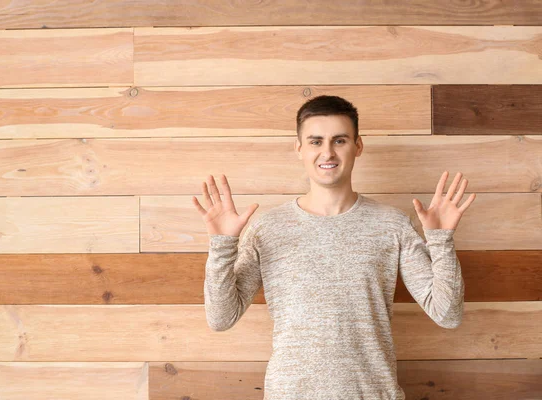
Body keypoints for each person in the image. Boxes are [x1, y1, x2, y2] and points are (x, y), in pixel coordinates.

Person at [191, 95, 475, 399]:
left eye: (339, 140)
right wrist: (222, 245)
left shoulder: (391, 224)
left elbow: (447, 314)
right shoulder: (267, 229)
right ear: (299, 148)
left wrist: (441, 239)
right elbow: (221, 318)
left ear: (358, 146)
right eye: (315, 141)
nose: (327, 152)